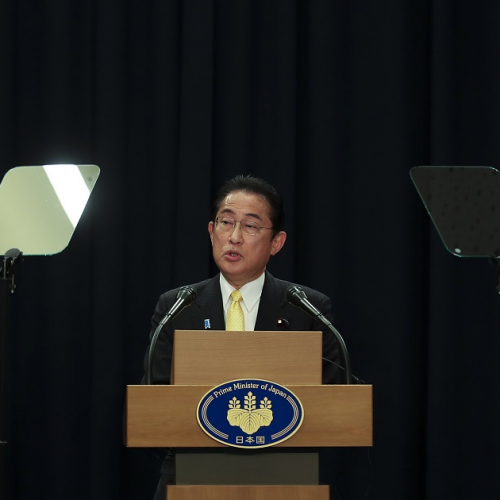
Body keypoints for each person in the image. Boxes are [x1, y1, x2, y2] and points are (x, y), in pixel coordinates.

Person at [142, 175, 342, 499]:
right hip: (191, 477)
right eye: (226, 222)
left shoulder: (307, 309)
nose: (234, 237)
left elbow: (332, 405)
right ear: (212, 232)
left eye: (250, 226)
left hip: (283, 479)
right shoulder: (177, 306)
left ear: (276, 242)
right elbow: (155, 402)